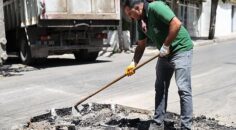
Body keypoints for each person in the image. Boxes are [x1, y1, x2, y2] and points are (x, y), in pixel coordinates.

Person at [123, 0, 194, 130]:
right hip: (164, 53)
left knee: (183, 88)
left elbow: (176, 24)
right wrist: (133, 63)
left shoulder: (157, 7)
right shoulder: (141, 22)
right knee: (160, 87)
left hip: (181, 49)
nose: (129, 17)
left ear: (138, 8)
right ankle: (157, 122)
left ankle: (186, 126)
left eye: (130, 13)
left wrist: (166, 45)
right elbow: (141, 45)